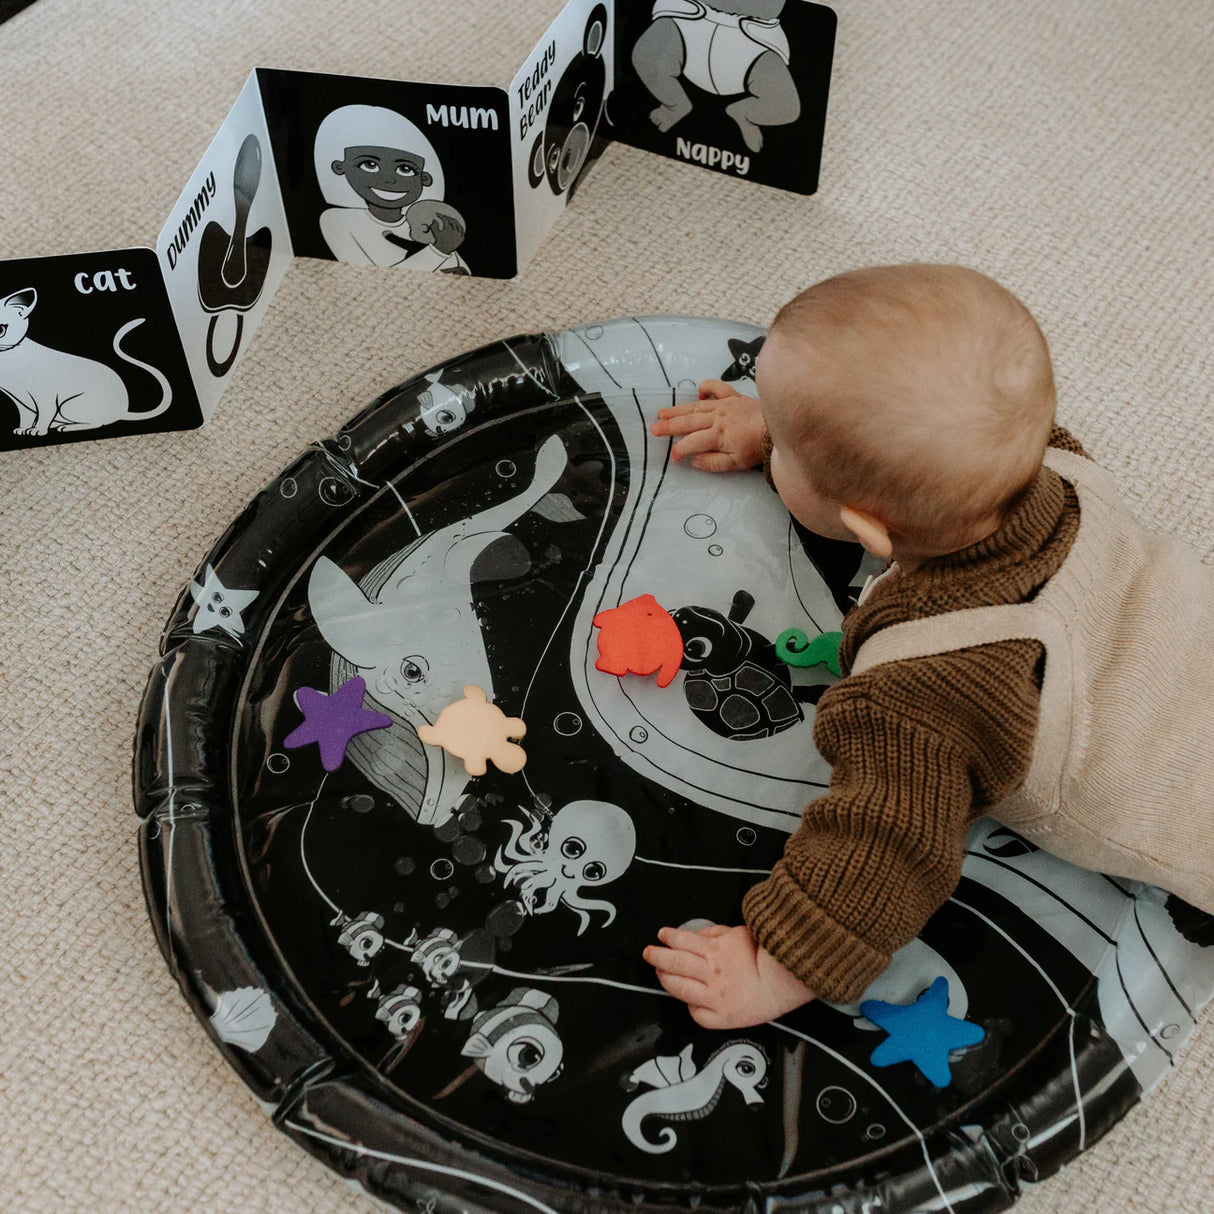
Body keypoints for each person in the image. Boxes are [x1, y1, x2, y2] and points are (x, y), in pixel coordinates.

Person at [642, 263, 1214, 1029]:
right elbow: (908, 458)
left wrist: (775, 966)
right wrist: (788, 438)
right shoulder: (1049, 461)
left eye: (783, 445)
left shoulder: (929, 689)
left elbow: (885, 849)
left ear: (867, 527)